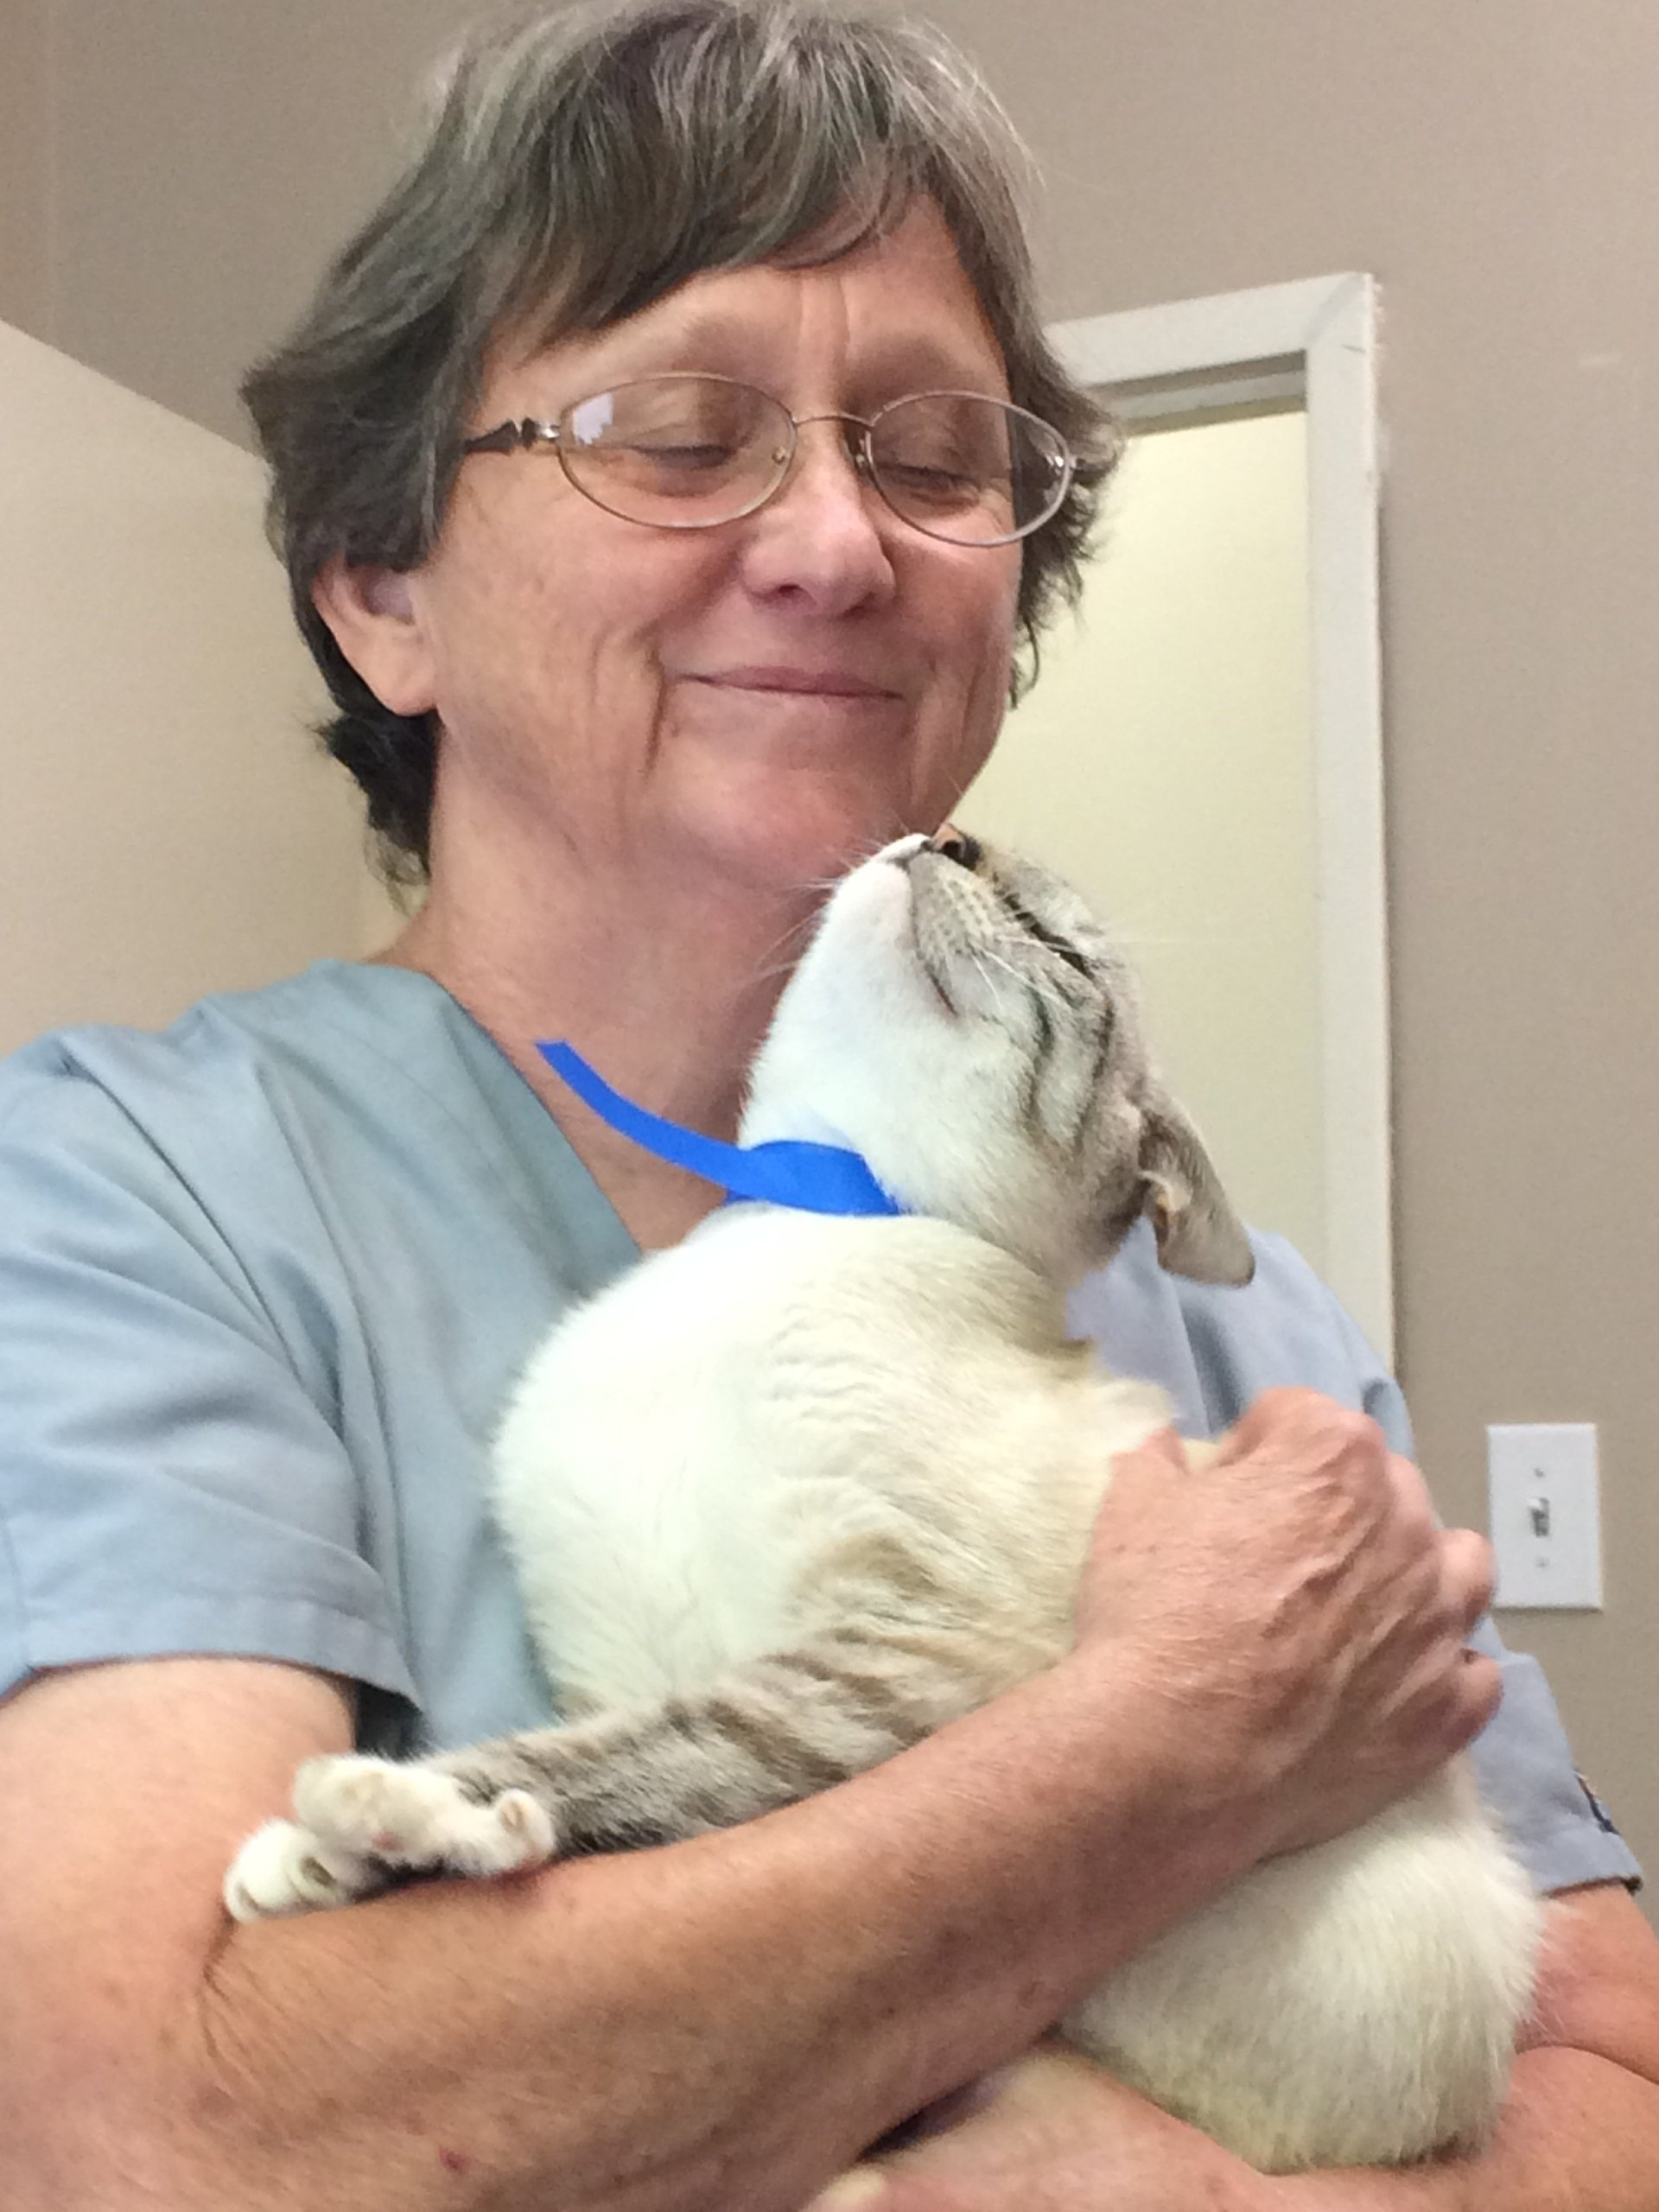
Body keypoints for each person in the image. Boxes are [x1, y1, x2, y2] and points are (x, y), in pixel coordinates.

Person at [0, 5, 1649, 2207]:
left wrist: (1193, 2199)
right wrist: (1167, 1745)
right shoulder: (129, 1207)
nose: (836, 544)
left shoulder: (1238, 1334)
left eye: (936, 453)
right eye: (676, 434)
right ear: (384, 592)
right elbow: (150, 2128)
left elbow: (1614, 2074)